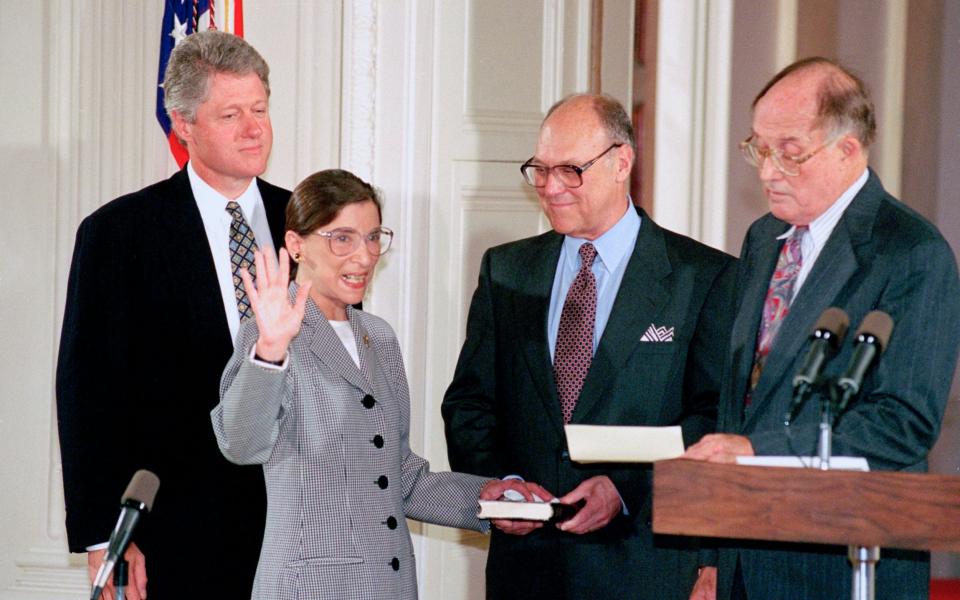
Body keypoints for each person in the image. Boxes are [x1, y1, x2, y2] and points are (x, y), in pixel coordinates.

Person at [684, 57, 960, 600]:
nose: (766, 171)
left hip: (842, 565)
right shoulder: (764, 239)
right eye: (758, 148)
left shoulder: (911, 252)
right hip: (744, 560)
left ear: (847, 150)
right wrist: (712, 559)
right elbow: (737, 402)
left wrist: (753, 449)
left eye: (788, 152)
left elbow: (901, 421)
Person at [441, 93, 736, 599]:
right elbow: (470, 404)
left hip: (644, 568)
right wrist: (505, 485)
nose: (551, 188)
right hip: (526, 573)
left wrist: (624, 490)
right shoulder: (507, 271)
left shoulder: (703, 278)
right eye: (540, 169)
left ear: (622, 162)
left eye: (571, 170)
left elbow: (713, 419)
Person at [211, 169, 539, 600]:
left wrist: (488, 500)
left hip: (389, 584)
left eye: (372, 237)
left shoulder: (379, 337)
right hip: (308, 587)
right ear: (296, 245)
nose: (364, 257)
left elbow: (398, 478)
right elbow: (241, 443)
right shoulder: (269, 335)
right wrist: (271, 349)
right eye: (342, 238)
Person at [56, 31, 286, 599]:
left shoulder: (306, 220)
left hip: (299, 525)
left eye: (259, 109)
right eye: (230, 114)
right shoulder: (119, 234)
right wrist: (105, 533)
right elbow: (88, 391)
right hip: (175, 534)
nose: (254, 128)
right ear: (184, 125)